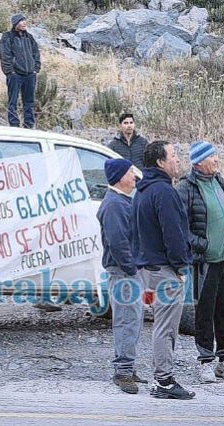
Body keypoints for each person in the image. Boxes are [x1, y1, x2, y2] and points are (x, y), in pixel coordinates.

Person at [175, 141, 224, 384]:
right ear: (199, 162)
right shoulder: (186, 187)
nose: (216, 159)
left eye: (215, 155)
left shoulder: (221, 182)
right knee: (205, 312)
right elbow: (180, 226)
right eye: (211, 156)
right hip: (206, 261)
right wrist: (202, 245)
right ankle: (205, 361)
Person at [132, 140, 195, 400]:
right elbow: (174, 234)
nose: (177, 159)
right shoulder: (164, 192)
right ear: (160, 161)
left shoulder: (142, 190)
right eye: (173, 155)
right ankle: (164, 381)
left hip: (149, 267)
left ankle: (163, 378)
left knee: (162, 324)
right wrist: (180, 267)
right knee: (166, 327)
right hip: (164, 269)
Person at [97, 158, 143, 394]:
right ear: (120, 177)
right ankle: (123, 372)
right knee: (127, 320)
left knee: (132, 320)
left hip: (126, 271)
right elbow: (118, 243)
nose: (134, 176)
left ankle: (127, 367)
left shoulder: (122, 200)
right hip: (123, 272)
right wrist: (132, 269)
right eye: (130, 172)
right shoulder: (115, 204)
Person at [0, 13, 41, 129]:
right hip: (15, 75)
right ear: (15, 23)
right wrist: (10, 72)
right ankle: (14, 125)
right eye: (21, 21)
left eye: (25, 20)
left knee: (29, 102)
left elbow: (36, 53)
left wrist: (35, 69)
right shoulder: (8, 37)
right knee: (13, 101)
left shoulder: (29, 37)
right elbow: (5, 55)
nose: (24, 23)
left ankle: (29, 125)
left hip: (30, 75)